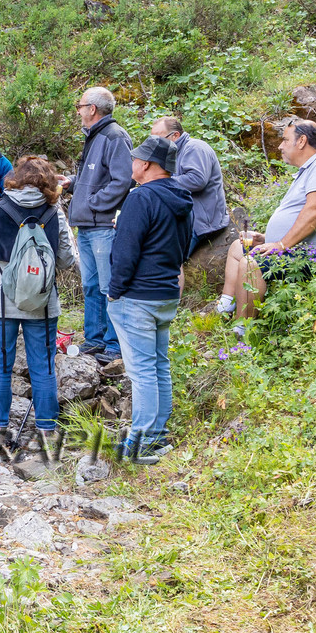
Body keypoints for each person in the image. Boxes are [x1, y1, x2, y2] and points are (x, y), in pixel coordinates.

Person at [0, 156, 76, 449]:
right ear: (48, 183)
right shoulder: (54, 212)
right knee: (43, 365)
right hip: (42, 301)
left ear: (15, 178)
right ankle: (47, 431)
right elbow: (67, 259)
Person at [107, 136, 195, 463]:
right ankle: (156, 438)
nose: (131, 164)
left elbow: (126, 250)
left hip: (137, 296)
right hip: (166, 294)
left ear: (145, 164)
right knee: (159, 366)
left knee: (143, 371)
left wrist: (115, 289)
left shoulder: (140, 198)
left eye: (135, 159)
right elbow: (187, 247)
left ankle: (139, 445)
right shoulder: (183, 198)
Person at [220, 119, 316, 321]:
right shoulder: (308, 170)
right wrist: (266, 239)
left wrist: (281, 244)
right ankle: (225, 308)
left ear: (302, 141)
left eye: (285, 140)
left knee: (251, 263)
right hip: (298, 248)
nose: (280, 146)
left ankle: (243, 330)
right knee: (239, 248)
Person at [66, 86, 134, 363]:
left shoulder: (114, 137)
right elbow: (94, 179)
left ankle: (115, 345)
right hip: (86, 226)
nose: (79, 111)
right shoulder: (93, 137)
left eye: (80, 106)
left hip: (103, 226)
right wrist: (71, 184)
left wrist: (93, 203)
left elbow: (123, 180)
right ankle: (94, 339)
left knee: (108, 286)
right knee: (91, 285)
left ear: (92, 109)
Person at [150, 115, 231, 257]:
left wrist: (161, 182)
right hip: (184, 216)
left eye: (158, 138)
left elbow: (197, 180)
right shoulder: (173, 152)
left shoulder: (195, 148)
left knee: (169, 258)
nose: (155, 143)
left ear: (175, 135)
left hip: (201, 221)